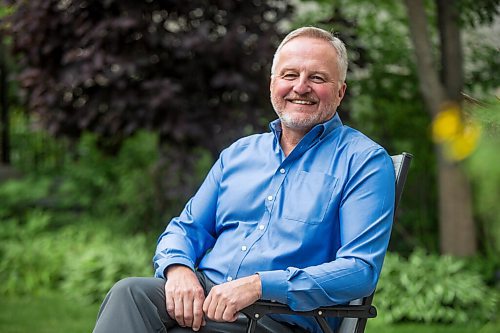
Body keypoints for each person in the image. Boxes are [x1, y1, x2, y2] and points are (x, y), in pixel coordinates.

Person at [92, 26, 395, 333]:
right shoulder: (239, 154)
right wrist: (178, 268)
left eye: (317, 78)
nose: (300, 87)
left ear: (340, 91)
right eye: (289, 75)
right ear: (272, 84)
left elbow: (360, 269)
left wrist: (260, 286)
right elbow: (187, 228)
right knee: (129, 294)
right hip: (207, 296)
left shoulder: (364, 161)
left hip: (274, 317)